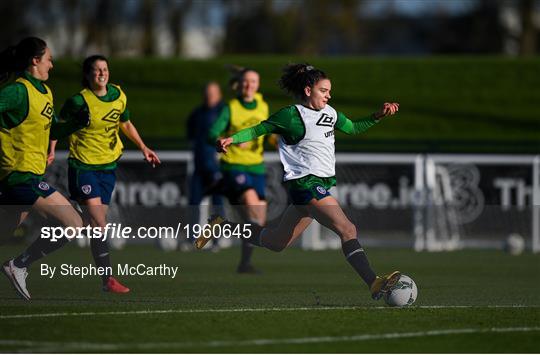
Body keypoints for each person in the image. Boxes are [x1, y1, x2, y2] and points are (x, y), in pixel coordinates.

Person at [200, 63, 401, 300]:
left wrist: (378, 115)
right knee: (347, 228)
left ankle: (222, 225)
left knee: (276, 242)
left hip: (318, 185)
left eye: (329, 91)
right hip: (305, 184)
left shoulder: (331, 113)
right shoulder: (291, 115)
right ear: (308, 90)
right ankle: (374, 282)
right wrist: (231, 139)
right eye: (323, 90)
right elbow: (259, 129)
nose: (329, 95)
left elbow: (354, 128)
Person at [52, 54, 161, 293]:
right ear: (88, 75)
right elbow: (56, 126)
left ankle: (23, 261)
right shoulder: (79, 101)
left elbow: (126, 124)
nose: (102, 73)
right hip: (83, 167)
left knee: (90, 224)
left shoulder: (118, 95)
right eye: (97, 70)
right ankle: (108, 279)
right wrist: (50, 150)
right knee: (100, 223)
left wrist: (143, 147)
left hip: (108, 168)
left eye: (105, 69)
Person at [0, 37, 86, 300]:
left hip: (29, 176)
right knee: (73, 222)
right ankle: (19, 265)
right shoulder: (17, 91)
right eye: (48, 58)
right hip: (18, 176)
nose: (52, 63)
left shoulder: (45, 92)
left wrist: (74, 124)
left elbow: (53, 129)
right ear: (35, 60)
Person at [203, 68, 269, 274]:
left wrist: (275, 139)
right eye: (246, 81)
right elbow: (213, 132)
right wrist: (219, 142)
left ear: (258, 85)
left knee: (257, 222)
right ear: (239, 85)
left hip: (257, 166)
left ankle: (242, 261)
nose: (249, 85)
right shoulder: (231, 108)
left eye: (253, 81)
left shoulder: (263, 106)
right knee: (252, 204)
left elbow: (266, 132)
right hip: (235, 166)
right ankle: (222, 190)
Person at [185, 81, 225, 251]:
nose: (210, 97)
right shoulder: (197, 114)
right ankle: (192, 241)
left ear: (219, 95)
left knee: (217, 205)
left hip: (217, 168)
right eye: (207, 93)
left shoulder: (225, 113)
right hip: (199, 166)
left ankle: (214, 241)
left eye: (213, 93)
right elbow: (190, 134)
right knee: (194, 203)